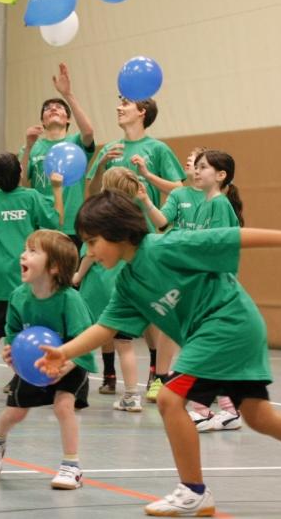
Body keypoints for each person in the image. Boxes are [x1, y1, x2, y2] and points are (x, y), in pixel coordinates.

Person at [37, 190, 281, 516]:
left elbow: (231, 237)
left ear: (118, 232)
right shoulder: (127, 283)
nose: (89, 251)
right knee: (259, 416)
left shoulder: (166, 246)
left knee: (169, 398)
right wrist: (63, 353)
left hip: (227, 322)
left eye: (93, 241)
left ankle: (193, 491)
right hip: (223, 332)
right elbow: (105, 328)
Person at [86, 96, 186, 402]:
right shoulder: (109, 148)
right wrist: (101, 166)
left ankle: (158, 373)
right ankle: (110, 373)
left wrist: (149, 180)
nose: (119, 107)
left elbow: (179, 189)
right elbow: (92, 192)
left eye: (126, 103)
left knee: (152, 309)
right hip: (112, 239)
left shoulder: (157, 149)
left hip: (142, 239)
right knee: (111, 304)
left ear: (142, 112)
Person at [0, 229, 96, 491]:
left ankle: (71, 465)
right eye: (25, 249)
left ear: (54, 267)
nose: (23, 255)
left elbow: (85, 340)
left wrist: (66, 365)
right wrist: (11, 352)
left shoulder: (70, 300)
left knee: (64, 406)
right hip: (34, 365)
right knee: (16, 412)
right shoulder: (18, 296)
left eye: (33, 251)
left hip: (70, 362)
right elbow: (12, 330)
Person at [0, 152, 57, 397]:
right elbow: (54, 223)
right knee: (25, 326)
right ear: (19, 174)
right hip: (27, 273)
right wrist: (58, 191)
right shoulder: (31, 196)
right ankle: (19, 376)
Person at [73, 167, 158, 410]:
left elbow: (89, 255)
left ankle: (97, 381)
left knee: (96, 333)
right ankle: (132, 393)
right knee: (124, 343)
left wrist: (78, 275)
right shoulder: (138, 217)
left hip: (101, 285)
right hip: (128, 285)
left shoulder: (101, 218)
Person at [183, 149, 244, 432]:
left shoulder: (219, 205)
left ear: (221, 175)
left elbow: (215, 249)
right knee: (203, 349)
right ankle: (216, 410)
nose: (197, 171)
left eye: (204, 167)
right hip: (202, 288)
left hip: (217, 290)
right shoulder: (203, 204)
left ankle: (217, 410)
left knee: (206, 349)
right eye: (196, 166)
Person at [21, 63, 96, 249]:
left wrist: (67, 95)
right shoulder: (31, 147)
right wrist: (29, 146)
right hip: (42, 224)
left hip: (73, 226)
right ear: (42, 121)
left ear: (68, 119)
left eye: (59, 107)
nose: (53, 109)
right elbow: (22, 182)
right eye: (47, 108)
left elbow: (88, 132)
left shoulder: (76, 142)